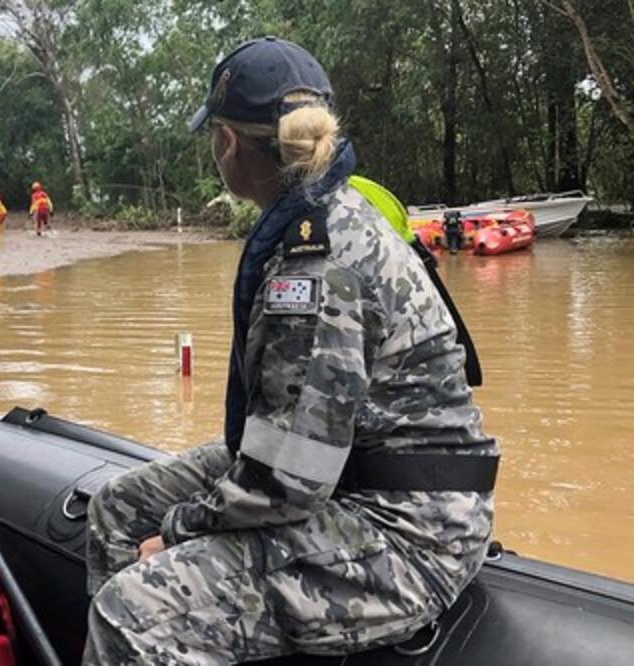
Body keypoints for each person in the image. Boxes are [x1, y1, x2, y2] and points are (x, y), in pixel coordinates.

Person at [82, 36, 499, 665]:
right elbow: (288, 450)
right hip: (347, 475)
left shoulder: (312, 266)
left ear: (226, 143)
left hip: (409, 529)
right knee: (117, 508)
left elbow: (288, 481)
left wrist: (177, 533)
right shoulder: (325, 212)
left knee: (133, 611)